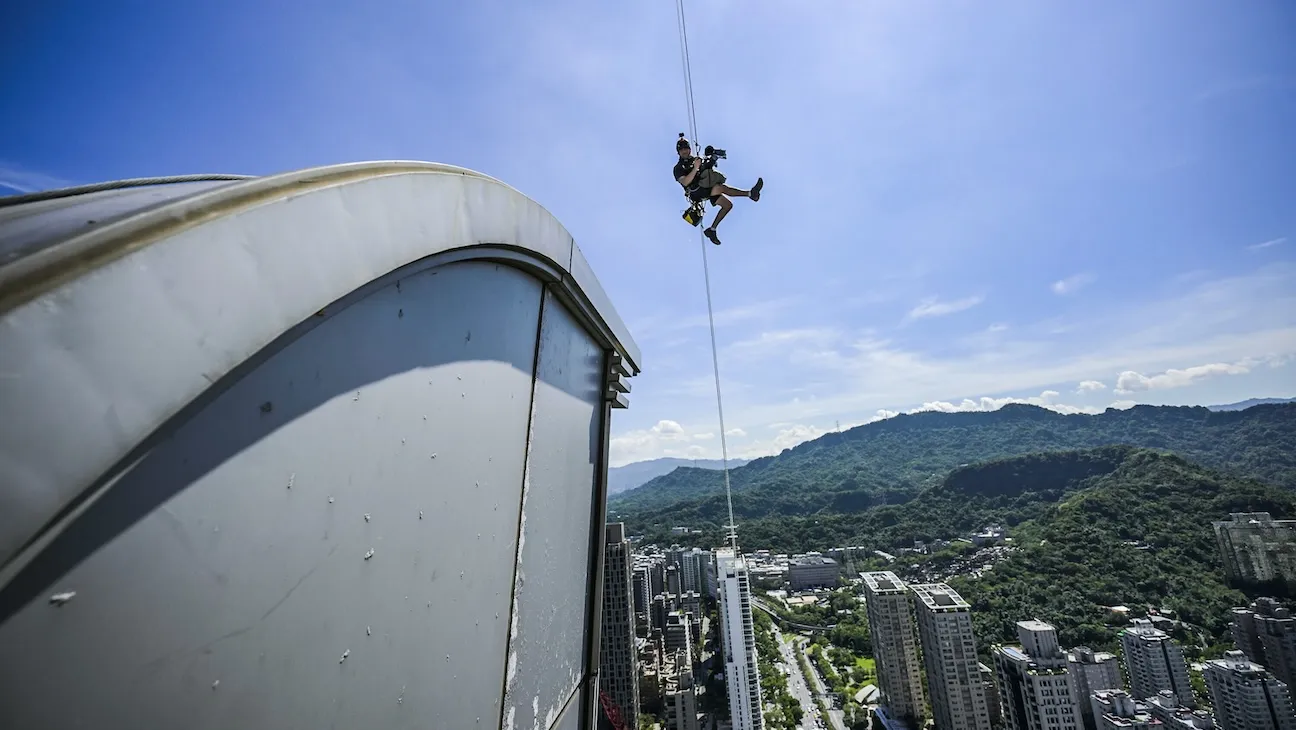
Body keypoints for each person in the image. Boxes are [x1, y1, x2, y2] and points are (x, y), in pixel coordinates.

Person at [673, 134, 763, 245]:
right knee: (719, 187)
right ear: (678, 152)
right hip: (696, 192)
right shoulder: (678, 168)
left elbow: (703, 167)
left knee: (727, 205)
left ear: (689, 149)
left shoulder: (695, 160)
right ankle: (751, 194)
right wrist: (696, 167)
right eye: (681, 149)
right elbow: (686, 181)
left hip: (705, 188)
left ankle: (712, 230)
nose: (684, 151)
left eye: (686, 148)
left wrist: (709, 160)